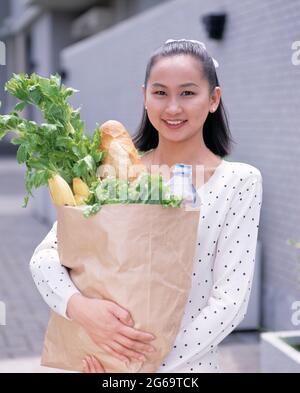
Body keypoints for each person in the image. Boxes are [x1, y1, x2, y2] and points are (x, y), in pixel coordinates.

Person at [29, 38, 263, 373]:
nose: (172, 108)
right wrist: (78, 307)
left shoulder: (238, 182)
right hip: (104, 366)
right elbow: (46, 257)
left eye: (187, 93)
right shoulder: (114, 173)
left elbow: (229, 304)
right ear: (144, 97)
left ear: (213, 99)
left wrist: (141, 366)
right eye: (160, 93)